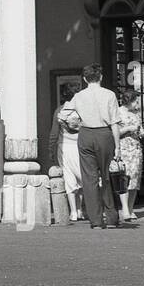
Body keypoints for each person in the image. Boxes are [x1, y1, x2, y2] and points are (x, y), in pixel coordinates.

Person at [71, 64, 122, 229]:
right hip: (104, 134)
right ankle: (112, 217)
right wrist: (118, 146)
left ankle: (96, 220)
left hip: (85, 133)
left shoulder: (78, 96)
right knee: (107, 175)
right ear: (101, 77)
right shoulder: (109, 95)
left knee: (89, 178)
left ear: (85, 79)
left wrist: (75, 124)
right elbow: (114, 123)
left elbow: (65, 115)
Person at [53, 86, 84, 223]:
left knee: (69, 177)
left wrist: (50, 149)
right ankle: (80, 209)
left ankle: (72, 212)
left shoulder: (59, 111)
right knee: (82, 177)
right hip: (80, 146)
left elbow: (54, 133)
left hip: (64, 146)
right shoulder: (81, 110)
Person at [115, 88, 144, 222]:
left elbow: (141, 129)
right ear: (129, 100)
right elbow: (114, 132)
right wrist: (127, 129)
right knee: (124, 178)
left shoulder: (136, 114)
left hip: (136, 149)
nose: (137, 103)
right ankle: (125, 209)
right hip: (124, 148)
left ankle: (131, 209)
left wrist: (142, 132)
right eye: (136, 100)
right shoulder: (118, 112)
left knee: (134, 180)